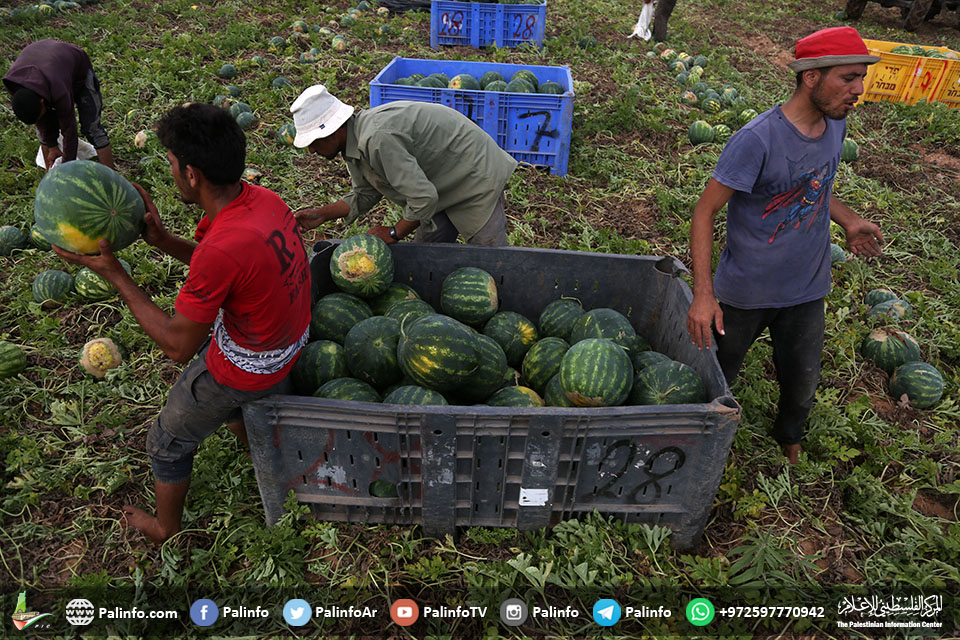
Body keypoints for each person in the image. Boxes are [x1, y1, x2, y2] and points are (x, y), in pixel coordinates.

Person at [53, 103, 312, 543]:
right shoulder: (263, 201)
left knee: (166, 440)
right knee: (227, 397)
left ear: (192, 174)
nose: (171, 172)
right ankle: (254, 439)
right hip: (289, 343)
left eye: (172, 163)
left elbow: (177, 346)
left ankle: (164, 527)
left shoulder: (223, 247)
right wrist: (163, 240)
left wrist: (116, 275)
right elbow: (236, 271)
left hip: (252, 367)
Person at [686, 26, 885, 465]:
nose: (858, 90)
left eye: (861, 78)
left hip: (808, 286)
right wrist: (703, 294)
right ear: (811, 77)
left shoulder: (835, 124)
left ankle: (790, 439)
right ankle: (698, 447)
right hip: (746, 291)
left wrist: (849, 220)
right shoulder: (756, 140)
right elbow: (705, 212)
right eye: (847, 78)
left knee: (802, 379)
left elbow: (814, 185)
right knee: (717, 376)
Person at [289, 85, 517, 246]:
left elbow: (424, 198)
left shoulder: (376, 139)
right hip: (438, 182)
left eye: (313, 142)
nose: (311, 150)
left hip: (473, 172)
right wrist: (321, 215)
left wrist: (392, 232)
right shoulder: (353, 143)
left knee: (489, 256)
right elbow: (365, 194)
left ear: (333, 131)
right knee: (426, 254)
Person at [4, 39, 115, 170]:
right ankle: (49, 178)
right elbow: (41, 121)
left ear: (41, 100)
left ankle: (112, 178)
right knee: (42, 133)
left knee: (92, 127)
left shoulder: (58, 90)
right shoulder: (17, 88)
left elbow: (69, 130)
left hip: (76, 65)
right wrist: (52, 146)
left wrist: (66, 168)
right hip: (46, 64)